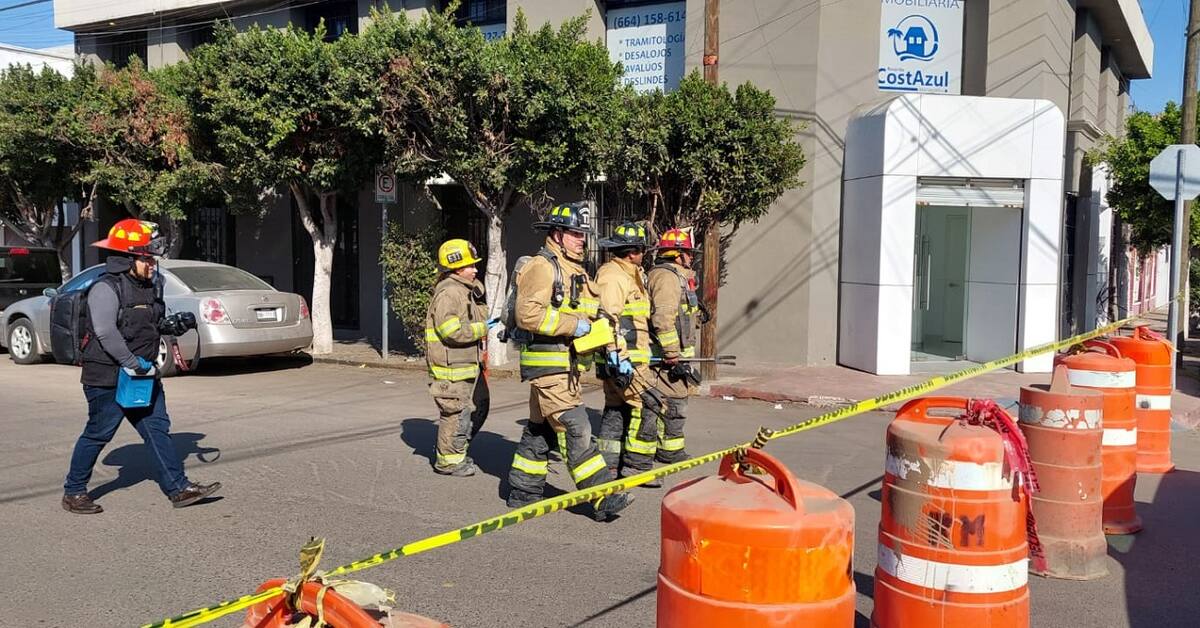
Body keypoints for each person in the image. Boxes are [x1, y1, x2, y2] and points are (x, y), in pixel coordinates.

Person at [61, 219, 221, 514]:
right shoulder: (105, 288)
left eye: (152, 258)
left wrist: (171, 325)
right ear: (126, 259)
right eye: (146, 258)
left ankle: (179, 489)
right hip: (108, 376)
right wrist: (135, 364)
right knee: (98, 433)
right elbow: (107, 332)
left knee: (157, 429)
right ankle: (74, 491)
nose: (152, 264)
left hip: (142, 374)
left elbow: (149, 324)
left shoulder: (151, 286)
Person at [504, 202, 634, 521]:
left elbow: (595, 313)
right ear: (558, 234)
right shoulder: (543, 266)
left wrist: (612, 350)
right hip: (549, 366)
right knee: (576, 426)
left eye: (582, 234)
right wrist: (573, 325)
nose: (581, 240)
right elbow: (527, 313)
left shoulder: (575, 269)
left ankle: (523, 490)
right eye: (576, 234)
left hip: (569, 366)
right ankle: (602, 497)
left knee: (539, 429)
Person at [593, 222, 665, 488]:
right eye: (641, 250)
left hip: (630, 356)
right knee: (650, 404)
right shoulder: (615, 276)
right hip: (625, 359)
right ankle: (638, 466)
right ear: (633, 251)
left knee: (617, 409)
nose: (644, 254)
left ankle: (608, 466)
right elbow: (608, 318)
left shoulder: (631, 273)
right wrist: (616, 355)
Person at [424, 238, 491, 477]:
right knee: (454, 413)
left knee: (473, 408)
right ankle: (449, 461)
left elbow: (477, 314)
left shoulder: (464, 291)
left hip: (465, 365)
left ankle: (457, 451)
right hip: (450, 368)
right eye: (470, 266)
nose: (475, 269)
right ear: (455, 268)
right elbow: (451, 332)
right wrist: (483, 328)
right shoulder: (449, 294)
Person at [647, 228, 704, 467]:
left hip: (677, 354)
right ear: (678, 254)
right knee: (673, 400)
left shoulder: (677, 276)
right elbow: (663, 318)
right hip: (665, 356)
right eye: (689, 253)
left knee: (671, 400)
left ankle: (668, 447)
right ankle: (668, 450)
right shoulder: (667, 277)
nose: (691, 257)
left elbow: (683, 314)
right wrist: (671, 352)